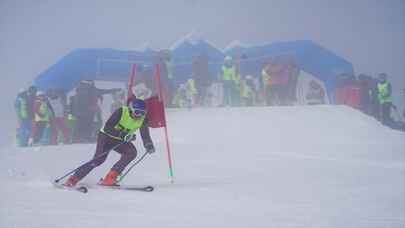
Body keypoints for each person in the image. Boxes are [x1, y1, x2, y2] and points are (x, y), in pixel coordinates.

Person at [63, 98, 155, 187]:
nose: (139, 115)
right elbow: (108, 127)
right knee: (98, 160)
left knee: (131, 152)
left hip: (119, 140)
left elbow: (145, 134)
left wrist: (148, 145)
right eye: (137, 112)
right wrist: (123, 135)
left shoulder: (142, 119)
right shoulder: (121, 111)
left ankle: (110, 177)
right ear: (131, 109)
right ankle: (73, 179)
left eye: (142, 113)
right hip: (106, 137)